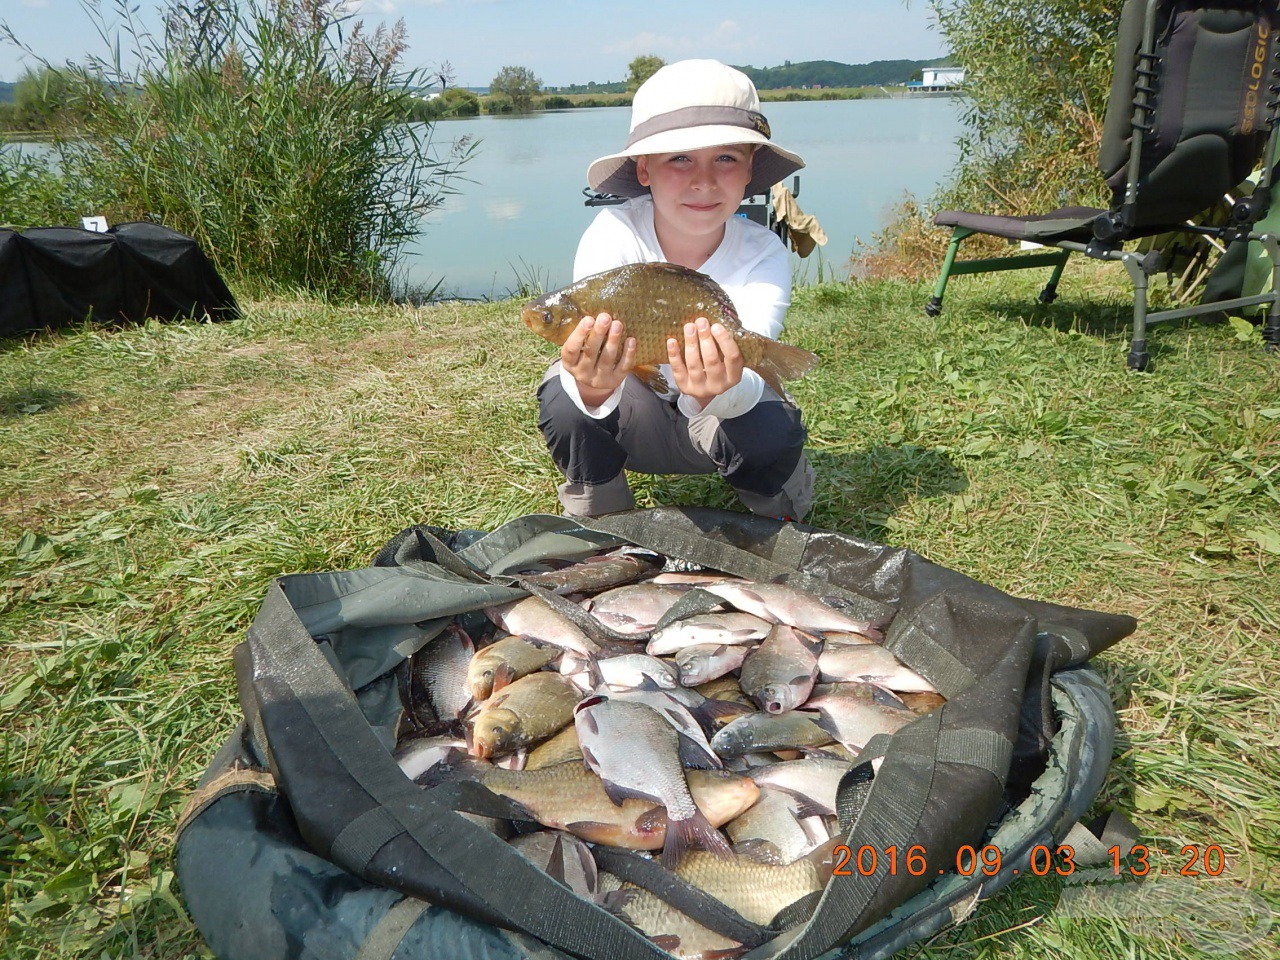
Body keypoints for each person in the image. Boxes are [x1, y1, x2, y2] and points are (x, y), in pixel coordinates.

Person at [537, 59, 815, 521]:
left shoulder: (764, 252)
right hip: (635, 421)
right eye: (679, 158)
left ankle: (774, 515)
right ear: (644, 170)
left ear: (750, 169)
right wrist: (591, 385)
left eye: (725, 158)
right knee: (565, 394)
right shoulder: (611, 234)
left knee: (770, 422)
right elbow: (593, 367)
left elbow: (747, 378)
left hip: (719, 418)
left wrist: (716, 388)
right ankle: (600, 518)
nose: (703, 180)